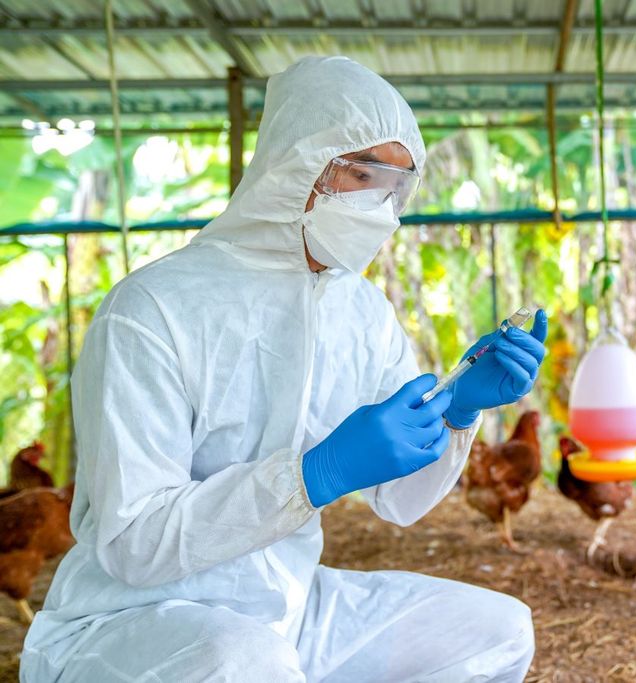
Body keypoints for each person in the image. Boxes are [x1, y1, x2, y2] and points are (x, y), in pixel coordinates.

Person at [21, 56, 547, 682]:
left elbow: (398, 502)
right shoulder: (152, 310)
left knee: (496, 632)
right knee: (244, 662)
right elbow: (133, 542)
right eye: (362, 174)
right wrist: (313, 476)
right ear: (297, 162)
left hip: (289, 608)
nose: (383, 204)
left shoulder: (362, 311)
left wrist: (458, 407)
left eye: (399, 185)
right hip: (134, 620)